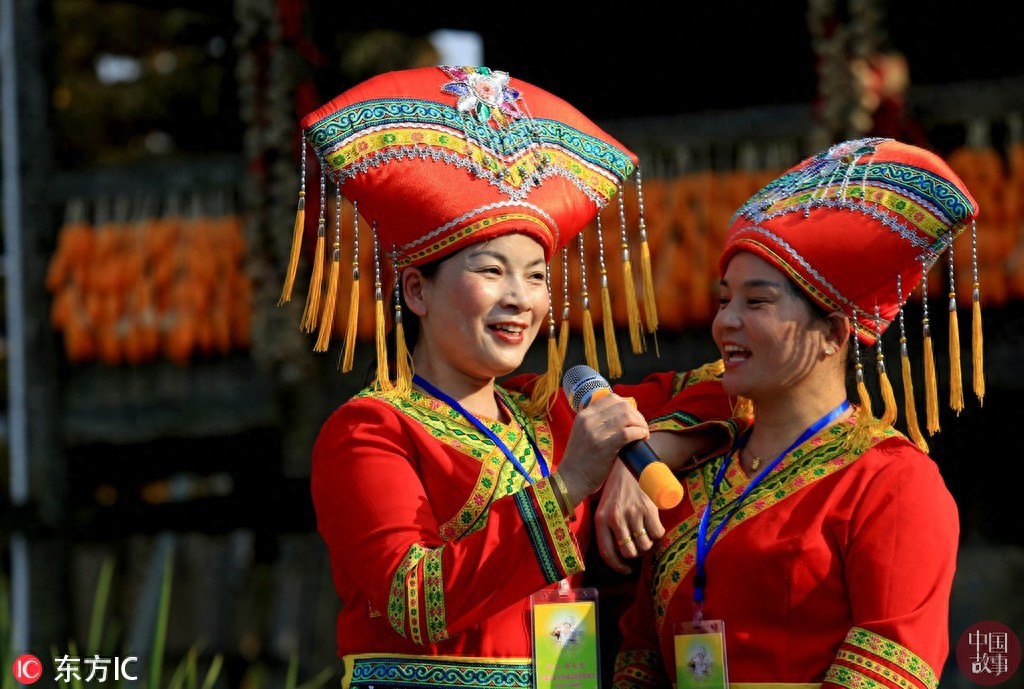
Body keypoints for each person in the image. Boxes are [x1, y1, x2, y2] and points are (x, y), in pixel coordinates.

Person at [278, 65, 735, 689]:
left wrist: (649, 451)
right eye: (492, 271)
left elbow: (732, 384)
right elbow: (416, 602)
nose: (521, 298)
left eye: (538, 276)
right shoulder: (369, 430)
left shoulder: (545, 411)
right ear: (417, 289)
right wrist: (572, 482)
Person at [610, 137, 981, 688]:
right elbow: (640, 652)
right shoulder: (696, 473)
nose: (726, 322)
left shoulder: (891, 483)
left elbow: (887, 671)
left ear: (832, 334)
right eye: (723, 299)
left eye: (756, 302)